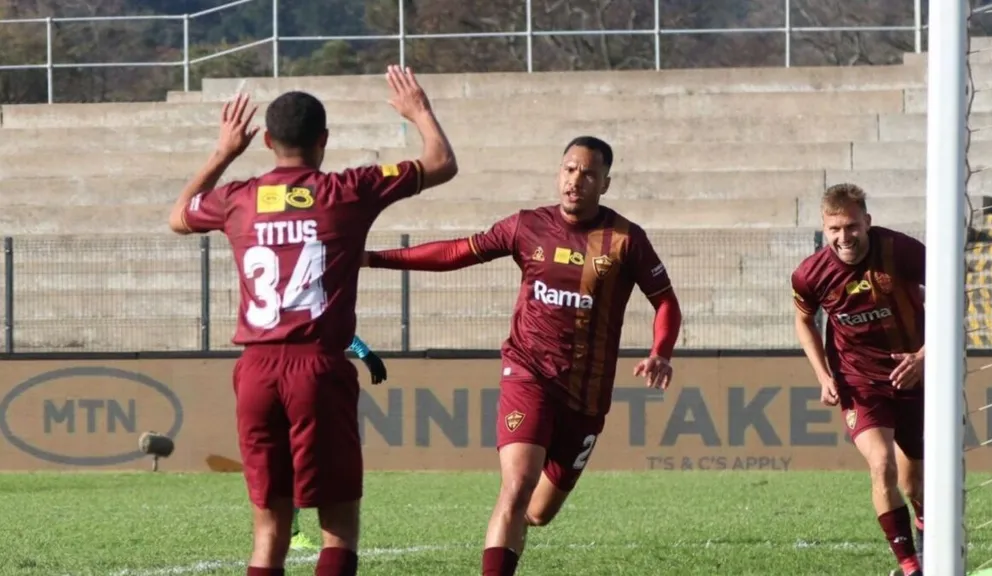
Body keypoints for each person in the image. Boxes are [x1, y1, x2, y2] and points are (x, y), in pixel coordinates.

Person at [166, 65, 457, 576]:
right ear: (324, 140)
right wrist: (419, 111)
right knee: (338, 526)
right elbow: (441, 163)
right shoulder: (348, 190)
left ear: (268, 140)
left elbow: (178, 216)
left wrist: (222, 152)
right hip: (317, 370)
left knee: (270, 530)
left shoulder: (238, 197)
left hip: (255, 372)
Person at [363, 136, 682, 576]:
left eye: (588, 173)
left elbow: (666, 300)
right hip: (528, 373)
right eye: (569, 169)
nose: (576, 180)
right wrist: (372, 259)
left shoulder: (626, 240)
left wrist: (660, 352)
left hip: (586, 395)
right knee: (515, 487)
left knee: (538, 512)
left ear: (605, 184)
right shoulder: (526, 226)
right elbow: (457, 252)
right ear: (559, 173)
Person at [790, 183, 926, 576]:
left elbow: (954, 291)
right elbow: (803, 320)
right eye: (834, 229)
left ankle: (924, 526)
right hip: (860, 382)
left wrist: (925, 356)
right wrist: (823, 373)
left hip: (914, 376)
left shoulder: (899, 251)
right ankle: (910, 565)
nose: (843, 237)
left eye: (851, 226)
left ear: (867, 222)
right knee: (881, 464)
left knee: (915, 484)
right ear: (824, 228)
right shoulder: (810, 274)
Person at [290, 334, 387, 552]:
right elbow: (334, 324)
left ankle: (288, 530)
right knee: (301, 456)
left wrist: (365, 353)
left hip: (294, 377)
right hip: (297, 379)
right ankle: (291, 531)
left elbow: (335, 325)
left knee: (308, 457)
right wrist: (365, 353)